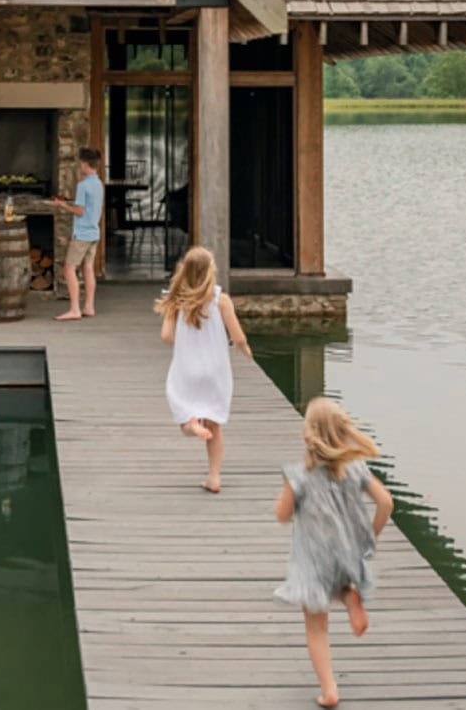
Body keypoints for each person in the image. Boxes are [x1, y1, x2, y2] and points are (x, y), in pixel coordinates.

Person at [273, 396, 394, 709]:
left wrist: (287, 501)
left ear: (307, 435)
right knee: (338, 580)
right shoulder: (357, 469)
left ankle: (329, 690)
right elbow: (386, 502)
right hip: (347, 555)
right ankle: (348, 595)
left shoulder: (298, 475)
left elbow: (283, 515)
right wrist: (370, 538)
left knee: (316, 629)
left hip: (313, 562)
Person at [154, 246, 253, 492]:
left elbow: (166, 336)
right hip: (215, 370)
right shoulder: (222, 300)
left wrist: (187, 339)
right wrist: (245, 350)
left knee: (184, 412)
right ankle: (214, 477)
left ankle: (191, 425)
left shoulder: (177, 299)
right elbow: (237, 336)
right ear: (211, 272)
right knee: (215, 425)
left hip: (187, 368)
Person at [50, 146, 104, 321]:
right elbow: (88, 207)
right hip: (94, 232)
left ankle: (74, 309)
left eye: (81, 163)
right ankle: (89, 306)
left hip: (82, 234)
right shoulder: (98, 184)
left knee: (69, 268)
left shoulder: (83, 185)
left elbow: (79, 211)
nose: (79, 166)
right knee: (87, 268)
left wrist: (61, 205)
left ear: (86, 164)